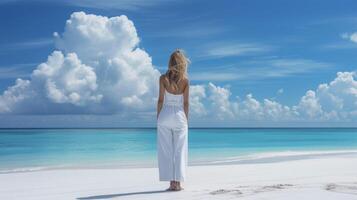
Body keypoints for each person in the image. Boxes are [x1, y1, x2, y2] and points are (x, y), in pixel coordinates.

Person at [157, 49, 190, 191]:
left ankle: (171, 183)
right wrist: (186, 120)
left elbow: (160, 100)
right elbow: (186, 103)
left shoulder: (162, 78)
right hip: (179, 116)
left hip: (164, 115)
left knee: (166, 151)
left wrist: (158, 117)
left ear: (170, 63)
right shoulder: (185, 81)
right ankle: (178, 183)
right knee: (179, 150)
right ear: (182, 64)